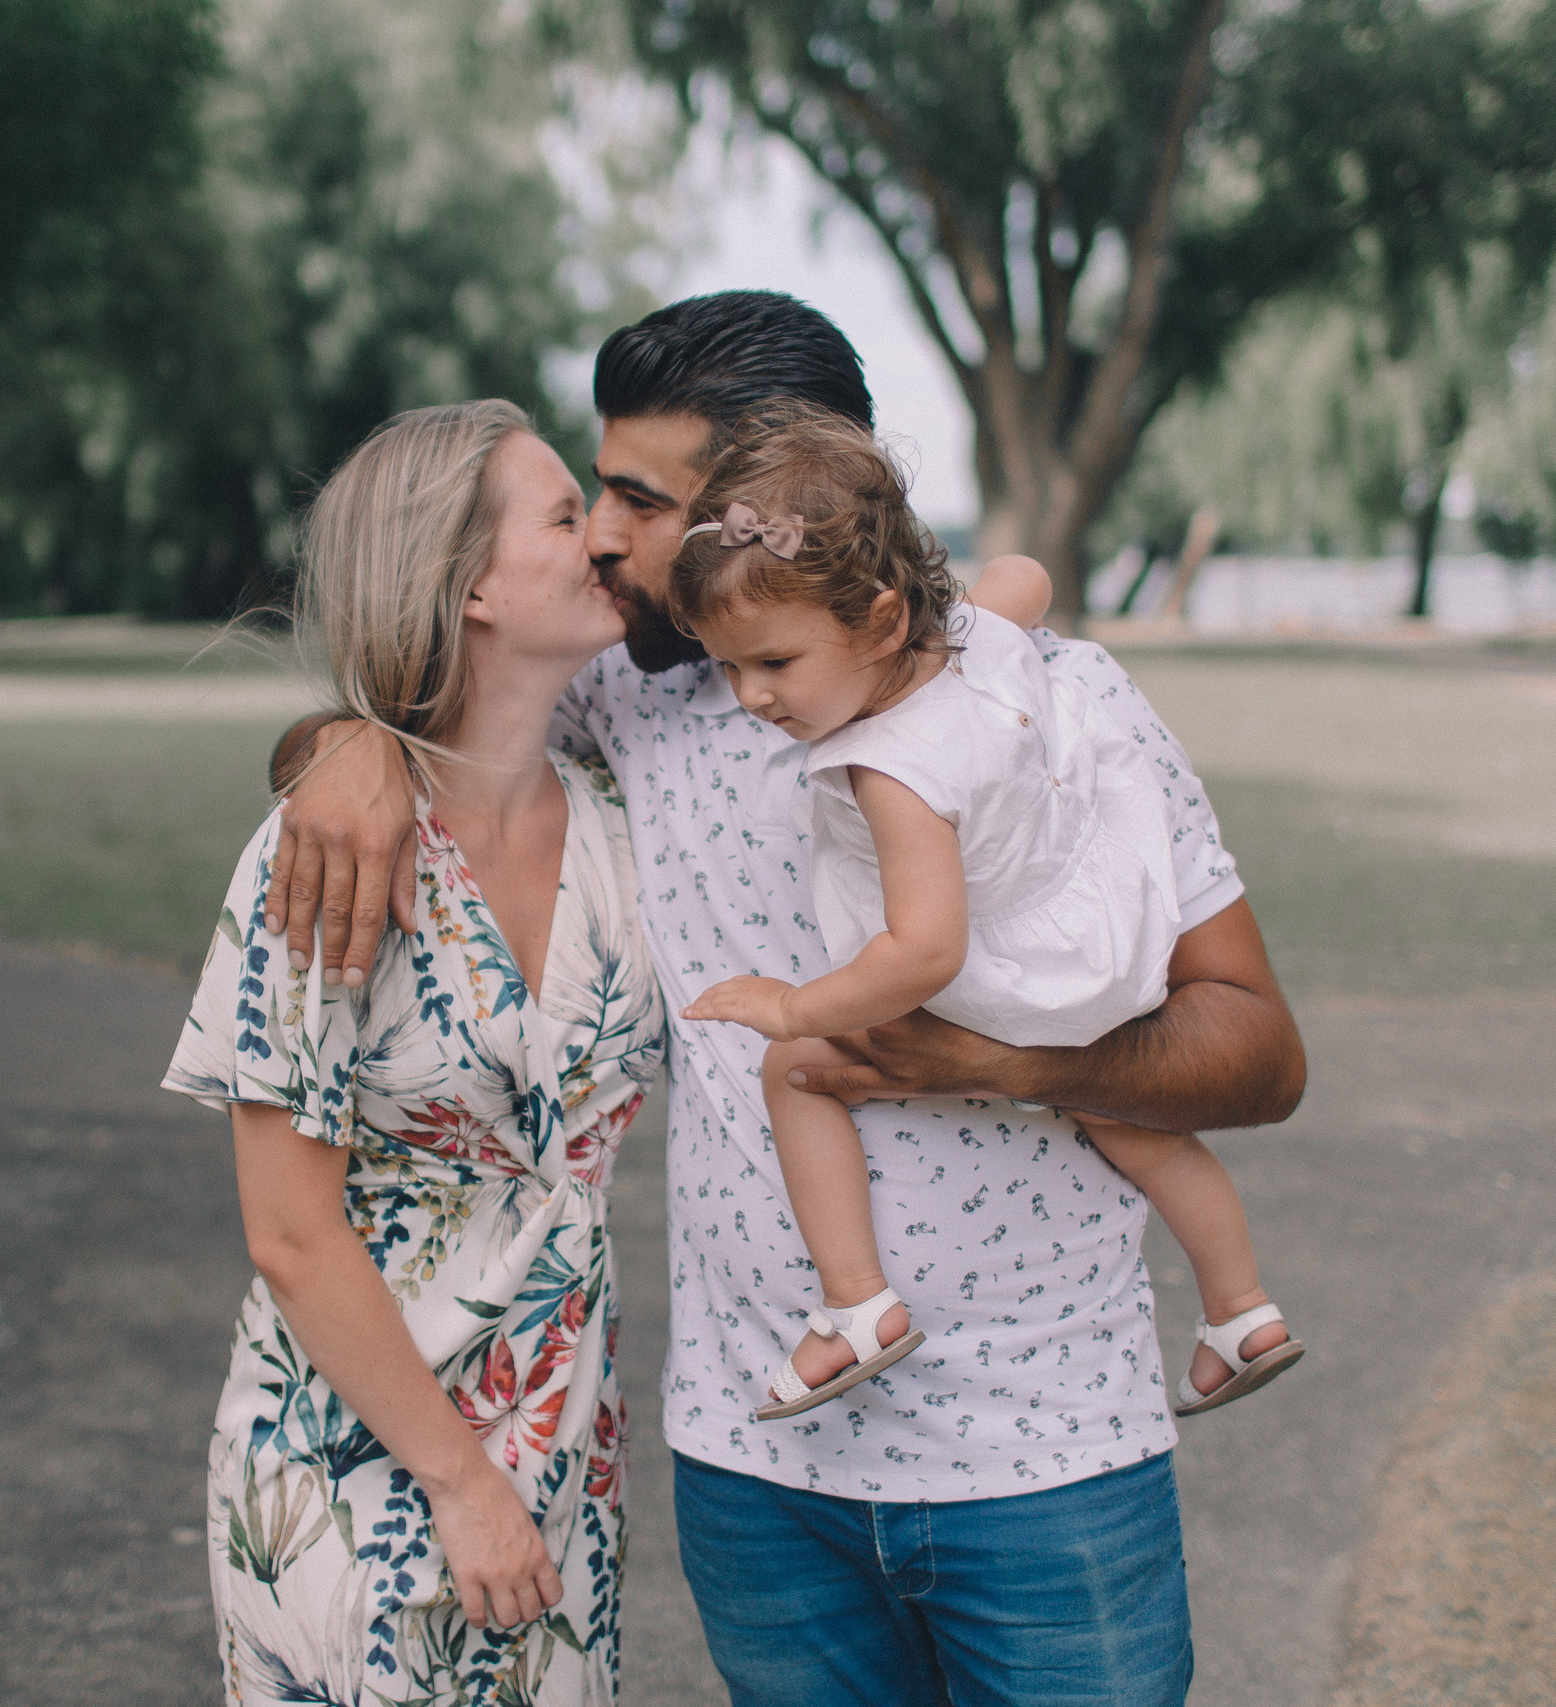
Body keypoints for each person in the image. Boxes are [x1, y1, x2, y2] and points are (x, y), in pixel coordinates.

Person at [267, 292, 1306, 1706]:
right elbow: (432, 711)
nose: (608, 538)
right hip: (759, 1470)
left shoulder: (1051, 702)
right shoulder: (626, 705)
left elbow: (1258, 1049)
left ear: (779, 497)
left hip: (1048, 1457)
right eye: (597, 490)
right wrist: (341, 746)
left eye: (643, 498)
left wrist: (981, 1055)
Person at [162, 400, 666, 1704]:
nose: (607, 537)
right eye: (566, 515)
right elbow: (289, 1229)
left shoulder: (623, 824)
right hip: (357, 1476)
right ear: (471, 585)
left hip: (564, 1469)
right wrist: (458, 1479)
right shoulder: (323, 854)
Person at [668, 403, 1304, 1423]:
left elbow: (923, 950)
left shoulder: (892, 768)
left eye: (775, 664)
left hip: (1007, 974)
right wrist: (938, 604)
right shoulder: (981, 638)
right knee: (1117, 1111)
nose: (750, 698)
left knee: (794, 1075)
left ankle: (856, 1305)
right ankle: (1241, 1309)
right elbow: (1025, 576)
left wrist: (797, 1007)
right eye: (727, 666)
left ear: (878, 622)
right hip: (1101, 938)